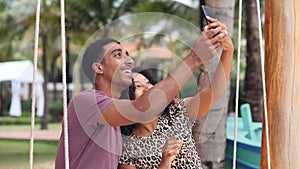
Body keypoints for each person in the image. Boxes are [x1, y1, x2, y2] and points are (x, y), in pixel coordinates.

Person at [55, 16, 227, 169]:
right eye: (117, 55)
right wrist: (194, 59)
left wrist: (228, 50)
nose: (129, 60)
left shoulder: (117, 123)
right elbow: (143, 108)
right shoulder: (86, 101)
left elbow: (212, 93)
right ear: (98, 67)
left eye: (127, 55)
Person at [118, 20, 234, 168]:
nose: (148, 89)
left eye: (149, 84)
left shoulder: (176, 113)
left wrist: (228, 50)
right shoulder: (127, 145)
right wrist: (165, 161)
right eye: (138, 86)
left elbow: (215, 91)